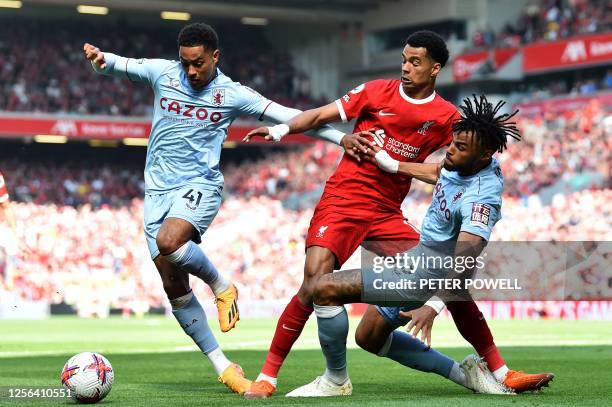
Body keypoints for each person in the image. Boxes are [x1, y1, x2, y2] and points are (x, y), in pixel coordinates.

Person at [244, 31, 551, 397]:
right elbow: (320, 115)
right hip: (343, 200)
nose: (406, 68)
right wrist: (283, 129)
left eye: (415, 62)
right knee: (314, 281)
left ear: (435, 68)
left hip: (387, 211)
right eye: (404, 60)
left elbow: (457, 166)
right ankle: (269, 376)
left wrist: (398, 166)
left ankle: (497, 368)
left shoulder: (448, 119)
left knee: (438, 283)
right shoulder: (376, 92)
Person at [84, 22, 365, 394]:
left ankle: (221, 284)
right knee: (173, 285)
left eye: (198, 63)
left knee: (171, 241)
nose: (191, 71)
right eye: (185, 63)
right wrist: (99, 60)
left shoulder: (232, 94)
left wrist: (341, 137)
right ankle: (224, 366)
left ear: (215, 56)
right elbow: (117, 65)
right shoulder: (162, 73)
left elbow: (292, 116)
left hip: (199, 187)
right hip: (156, 194)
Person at [288, 95, 554, 396]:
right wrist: (393, 165)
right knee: (369, 336)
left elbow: (466, 259)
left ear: (485, 155)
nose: (450, 150)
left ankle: (334, 381)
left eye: (460, 148)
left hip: (425, 274)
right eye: (453, 142)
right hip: (417, 258)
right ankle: (471, 374)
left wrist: (433, 306)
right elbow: (438, 172)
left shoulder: (481, 197)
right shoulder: (465, 162)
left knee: (323, 288)